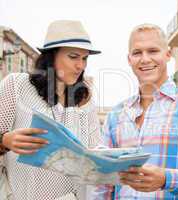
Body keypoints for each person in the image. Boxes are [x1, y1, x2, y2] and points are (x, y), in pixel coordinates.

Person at [97, 24, 178, 199]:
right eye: (137, 53)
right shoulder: (116, 114)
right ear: (129, 59)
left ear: (168, 54)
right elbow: (105, 183)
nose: (145, 59)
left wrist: (166, 179)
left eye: (153, 51)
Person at [0, 20, 102, 200]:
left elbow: (94, 152)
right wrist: (5, 140)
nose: (81, 66)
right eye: (73, 56)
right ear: (51, 56)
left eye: (84, 58)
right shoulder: (17, 85)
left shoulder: (86, 99)